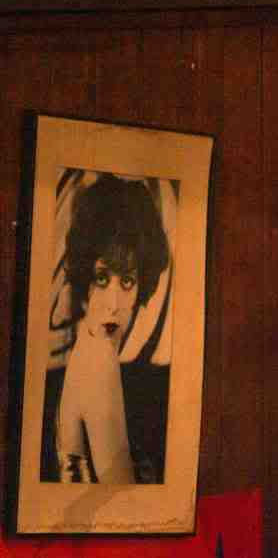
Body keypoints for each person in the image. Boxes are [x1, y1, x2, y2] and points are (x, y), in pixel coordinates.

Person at [41, 171, 172, 484]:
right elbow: (124, 505)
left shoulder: (85, 357)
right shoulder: (100, 363)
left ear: (141, 287)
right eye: (102, 278)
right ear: (83, 275)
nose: (114, 304)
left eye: (127, 281)